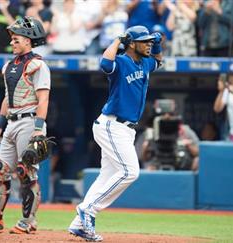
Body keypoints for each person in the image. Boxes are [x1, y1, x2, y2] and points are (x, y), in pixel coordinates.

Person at [68, 25, 163, 241]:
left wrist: (156, 41)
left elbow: (158, 60)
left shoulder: (145, 62)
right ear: (131, 43)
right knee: (130, 172)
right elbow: (104, 63)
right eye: (145, 41)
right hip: (112, 124)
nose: (148, 44)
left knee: (108, 175)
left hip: (126, 129)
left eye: (150, 41)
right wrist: (117, 41)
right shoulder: (121, 61)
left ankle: (78, 224)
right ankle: (87, 210)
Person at [0, 16, 51, 234]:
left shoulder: (38, 65)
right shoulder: (8, 66)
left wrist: (37, 128)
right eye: (12, 38)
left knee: (26, 172)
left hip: (30, 120)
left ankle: (29, 221)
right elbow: (8, 98)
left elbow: (43, 99)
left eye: (17, 38)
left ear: (28, 39)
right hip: (11, 122)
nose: (12, 41)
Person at [141, 99, 200, 171]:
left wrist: (188, 145)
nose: (167, 117)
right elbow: (144, 159)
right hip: (158, 167)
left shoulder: (184, 131)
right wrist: (145, 148)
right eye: (162, 114)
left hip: (181, 167)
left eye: (170, 114)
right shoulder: (152, 132)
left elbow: (200, 153)